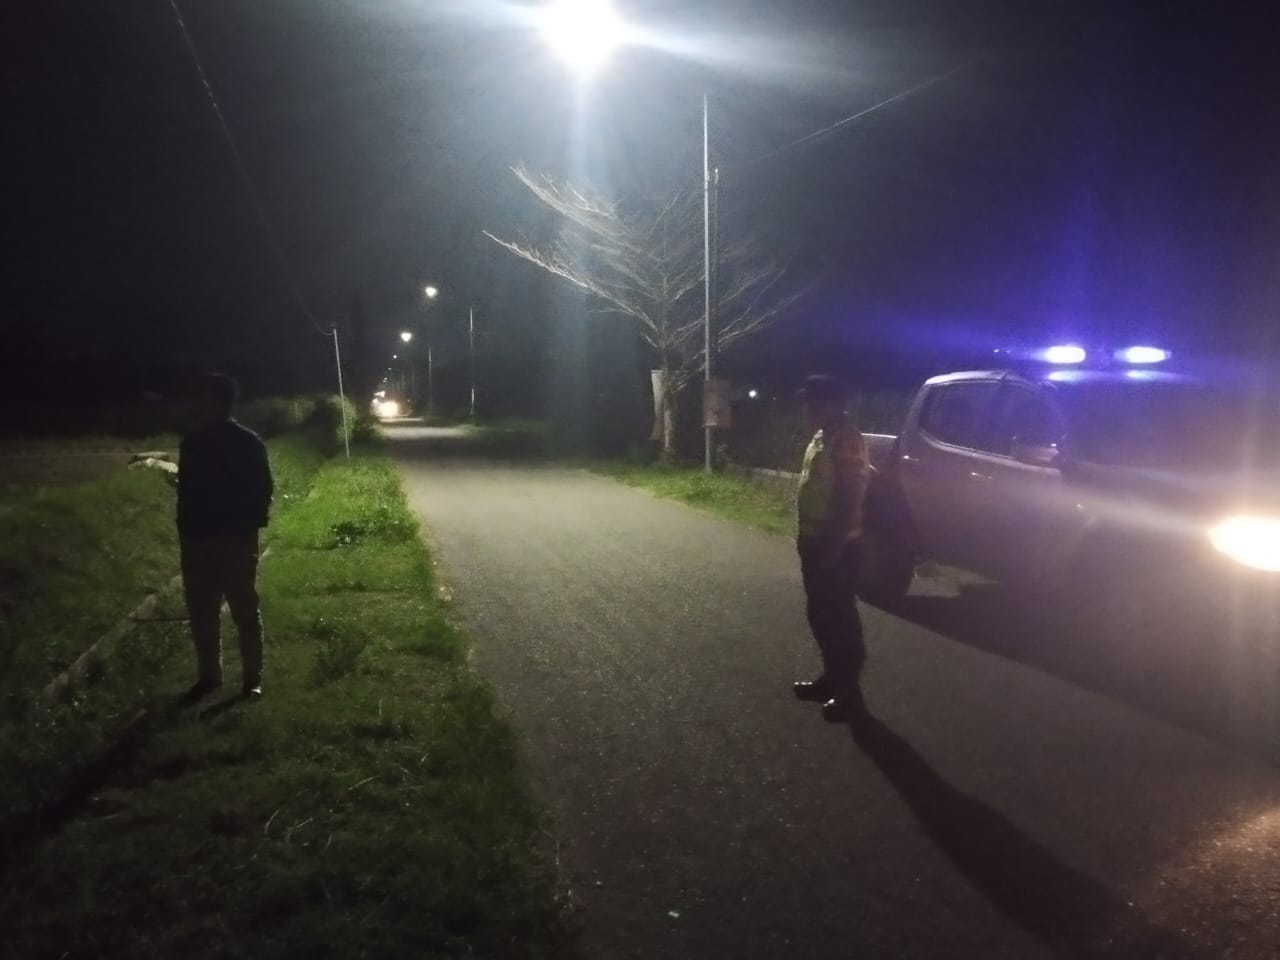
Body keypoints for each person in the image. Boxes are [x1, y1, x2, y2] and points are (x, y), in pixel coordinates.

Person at [177, 373, 273, 701]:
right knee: (202, 612)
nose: (198, 405)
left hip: (234, 540)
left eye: (204, 398)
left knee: (244, 610)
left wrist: (248, 528)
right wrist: (185, 531)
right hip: (197, 540)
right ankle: (209, 677)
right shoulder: (191, 443)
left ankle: (252, 680)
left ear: (220, 401)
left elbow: (263, 490)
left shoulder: (247, 443)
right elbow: (186, 492)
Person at [792, 375, 871, 723]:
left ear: (833, 404)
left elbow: (849, 497)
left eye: (813, 401)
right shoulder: (822, 437)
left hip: (836, 547)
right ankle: (831, 679)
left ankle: (848, 693)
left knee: (839, 619)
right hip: (814, 542)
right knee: (820, 615)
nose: (806, 408)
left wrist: (834, 548)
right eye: (806, 401)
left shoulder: (847, 440)